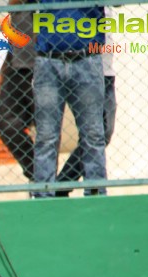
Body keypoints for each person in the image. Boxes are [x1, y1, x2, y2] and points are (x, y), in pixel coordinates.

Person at [30, 0, 107, 197]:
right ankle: (44, 200)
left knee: (93, 134)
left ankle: (96, 196)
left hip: (86, 60)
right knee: (46, 137)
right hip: (48, 61)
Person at [54, 40, 115, 197]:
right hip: (82, 66)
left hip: (105, 70)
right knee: (93, 135)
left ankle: (62, 185)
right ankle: (66, 187)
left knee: (103, 134)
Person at [0, 1, 36, 181]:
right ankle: (38, 176)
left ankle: (51, 183)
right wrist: (3, 70)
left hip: (41, 64)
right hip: (16, 66)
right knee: (6, 124)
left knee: (47, 130)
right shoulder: (16, 8)